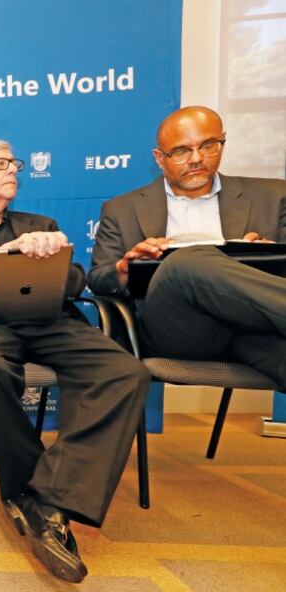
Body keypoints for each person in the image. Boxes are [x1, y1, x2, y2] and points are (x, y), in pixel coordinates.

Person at [0, 139, 150, 583]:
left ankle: (45, 493)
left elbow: (76, 280)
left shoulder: (40, 225)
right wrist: (10, 252)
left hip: (49, 321)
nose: (12, 170)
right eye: (0, 164)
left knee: (126, 372)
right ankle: (42, 498)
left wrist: (51, 255)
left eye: (15, 164)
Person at [89, 106, 286, 388]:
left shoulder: (273, 196)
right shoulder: (122, 209)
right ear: (160, 158)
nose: (196, 159)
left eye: (208, 145)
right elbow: (99, 280)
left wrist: (271, 252)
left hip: (254, 327)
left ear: (222, 141)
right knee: (185, 261)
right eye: (181, 151)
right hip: (177, 329)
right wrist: (124, 268)